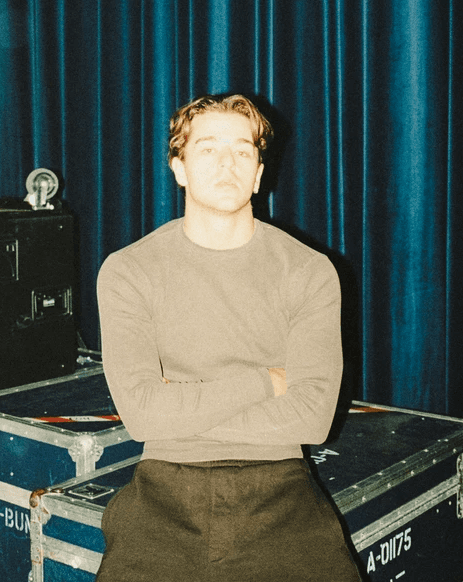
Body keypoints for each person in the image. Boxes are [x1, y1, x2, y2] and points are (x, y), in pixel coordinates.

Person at [96, 94, 361, 581]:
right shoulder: (128, 270)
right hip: (163, 488)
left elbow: (314, 418)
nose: (227, 163)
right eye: (208, 149)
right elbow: (142, 415)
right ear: (179, 168)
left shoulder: (309, 271)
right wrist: (268, 382)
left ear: (259, 174)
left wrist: (179, 408)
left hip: (280, 485)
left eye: (242, 150)